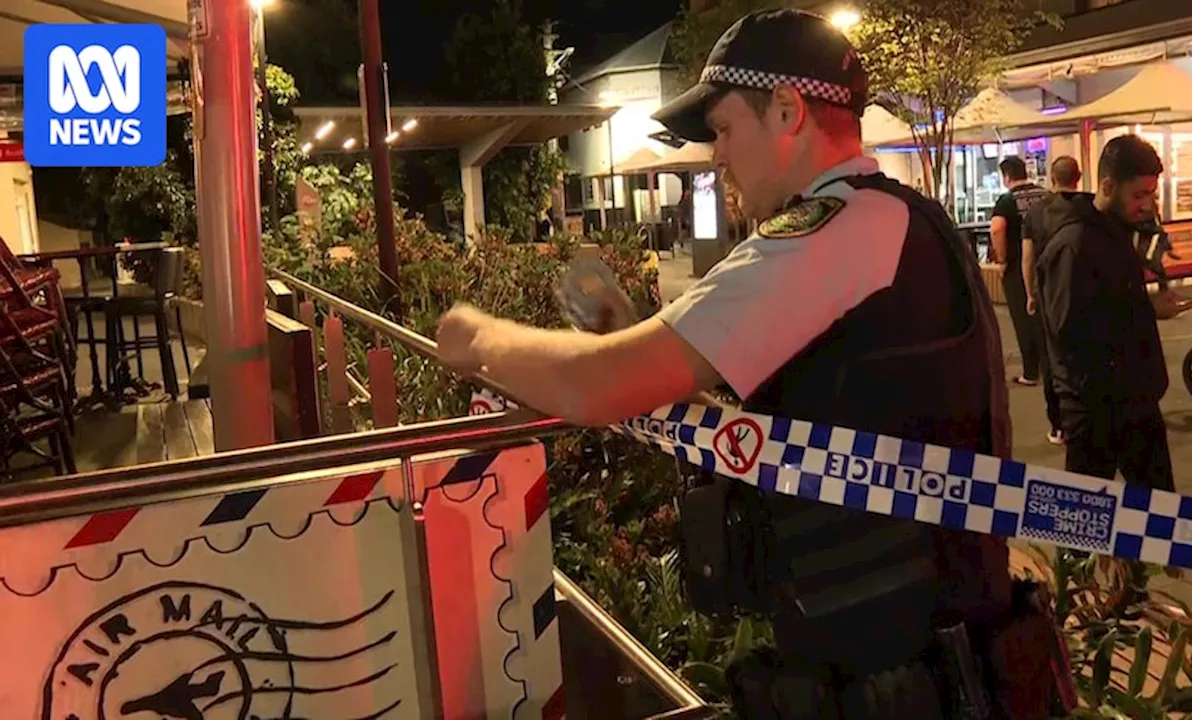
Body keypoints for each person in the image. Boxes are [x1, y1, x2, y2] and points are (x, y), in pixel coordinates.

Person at [436, 9, 1060, 719]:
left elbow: (596, 385)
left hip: (896, 679)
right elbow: (801, 432)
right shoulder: (897, 220)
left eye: (726, 129)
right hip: (919, 662)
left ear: (788, 110)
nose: (717, 157)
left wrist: (474, 338)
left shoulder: (834, 233)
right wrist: (653, 352)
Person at [1036, 134, 1192, 493]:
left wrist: (1146, 309)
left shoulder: (1117, 232)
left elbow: (1109, 305)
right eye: (1139, 195)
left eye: (1152, 194)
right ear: (1108, 185)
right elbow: (1069, 331)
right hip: (1095, 409)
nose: (1147, 205)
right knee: (1085, 522)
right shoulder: (1074, 244)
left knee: (1158, 512)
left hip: (1135, 398)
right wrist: (1143, 309)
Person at [1020, 156, 1081, 446]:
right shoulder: (1088, 208)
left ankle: (1059, 425)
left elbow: (1027, 256)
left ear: (1052, 180)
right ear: (1078, 178)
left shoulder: (1037, 212)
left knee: (1051, 359)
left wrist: (1030, 293)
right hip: (1084, 292)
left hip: (1049, 295)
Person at [990, 157, 1049, 387]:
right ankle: (1049, 367)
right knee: (1045, 316)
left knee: (1023, 318)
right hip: (1047, 262)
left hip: (1017, 266)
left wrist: (1002, 259)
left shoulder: (1006, 201)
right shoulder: (1045, 195)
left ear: (1006, 176)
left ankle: (1030, 372)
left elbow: (997, 228)